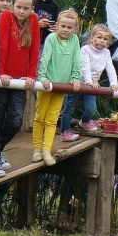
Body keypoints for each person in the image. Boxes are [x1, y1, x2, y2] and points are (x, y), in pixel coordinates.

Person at [0, 0, 40, 179]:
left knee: (15, 120)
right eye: (18, 7)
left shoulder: (33, 20)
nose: (21, 11)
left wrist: (31, 75)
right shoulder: (6, 17)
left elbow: (34, 50)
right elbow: (1, 45)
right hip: (3, 78)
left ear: (31, 9)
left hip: (19, 80)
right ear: (12, 5)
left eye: (26, 8)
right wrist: (1, 72)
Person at [33, 9, 82, 166]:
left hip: (61, 86)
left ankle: (47, 150)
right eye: (63, 26)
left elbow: (76, 59)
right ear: (57, 26)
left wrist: (75, 78)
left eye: (69, 27)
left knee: (52, 119)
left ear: (74, 29)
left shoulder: (74, 40)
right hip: (48, 84)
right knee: (40, 116)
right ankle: (36, 149)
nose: (66, 30)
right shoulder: (51, 39)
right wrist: (42, 77)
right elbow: (45, 58)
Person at [59, 24, 118, 140]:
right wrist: (89, 82)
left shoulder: (106, 53)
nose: (102, 41)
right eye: (99, 37)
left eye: (105, 39)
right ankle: (64, 131)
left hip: (92, 86)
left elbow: (110, 68)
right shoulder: (85, 50)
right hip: (77, 83)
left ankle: (84, 121)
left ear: (108, 42)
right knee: (69, 108)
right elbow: (85, 67)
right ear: (92, 38)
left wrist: (114, 83)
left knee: (91, 108)